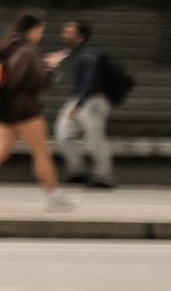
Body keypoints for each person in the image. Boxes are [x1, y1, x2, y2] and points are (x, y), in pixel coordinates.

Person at [0, 11, 70, 211]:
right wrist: (50, 70)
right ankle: (55, 197)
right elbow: (25, 81)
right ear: (32, 30)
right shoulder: (27, 50)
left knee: (0, 150)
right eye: (40, 30)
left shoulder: (10, 48)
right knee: (41, 153)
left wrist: (43, 64)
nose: (41, 35)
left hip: (6, 110)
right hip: (25, 110)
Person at [50, 19, 122, 189]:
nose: (64, 34)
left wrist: (79, 104)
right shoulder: (71, 54)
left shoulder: (89, 55)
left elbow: (90, 81)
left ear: (80, 37)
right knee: (63, 135)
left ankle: (104, 176)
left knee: (95, 139)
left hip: (92, 101)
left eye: (69, 31)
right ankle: (78, 172)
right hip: (76, 100)